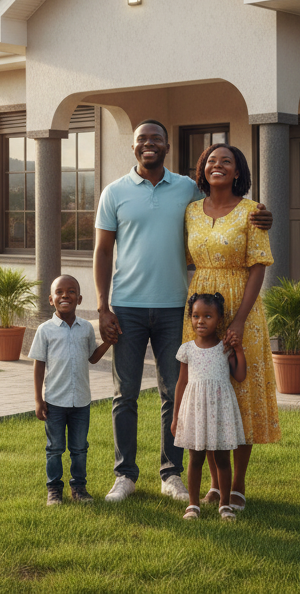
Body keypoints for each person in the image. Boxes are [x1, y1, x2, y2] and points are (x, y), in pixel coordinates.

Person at [94, 119, 272, 503]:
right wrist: (102, 306)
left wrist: (264, 216)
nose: (149, 144)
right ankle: (124, 475)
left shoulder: (188, 191)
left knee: (176, 393)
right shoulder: (115, 193)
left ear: (167, 145)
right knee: (124, 393)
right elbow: (103, 250)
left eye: (156, 138)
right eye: (142, 139)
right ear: (133, 147)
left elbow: (228, 206)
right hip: (127, 306)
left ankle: (171, 473)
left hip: (180, 307)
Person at [183, 142, 281, 512]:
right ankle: (213, 482)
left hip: (243, 305)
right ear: (202, 170)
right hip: (200, 308)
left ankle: (236, 485)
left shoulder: (252, 212)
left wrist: (238, 319)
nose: (218, 165)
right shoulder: (191, 211)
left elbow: (259, 265)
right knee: (206, 392)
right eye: (211, 161)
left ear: (238, 171)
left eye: (227, 161)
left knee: (240, 393)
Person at [31, 274, 115, 506]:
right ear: (51, 299)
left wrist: (108, 342)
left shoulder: (86, 328)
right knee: (55, 448)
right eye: (59, 292)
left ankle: (79, 488)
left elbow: (93, 358)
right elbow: (39, 367)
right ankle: (54, 490)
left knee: (79, 448)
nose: (64, 295)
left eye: (70, 292)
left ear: (79, 298)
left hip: (81, 402)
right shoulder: (45, 330)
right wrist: (38, 400)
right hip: (55, 402)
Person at [170, 292, 247, 521]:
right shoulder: (187, 349)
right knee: (195, 459)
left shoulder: (225, 347)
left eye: (207, 316)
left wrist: (239, 349)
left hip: (220, 412)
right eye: (195, 316)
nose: (200, 321)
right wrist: (176, 417)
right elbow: (181, 383)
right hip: (195, 412)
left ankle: (225, 505)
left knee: (223, 459)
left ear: (219, 319)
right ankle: (193, 505)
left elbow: (240, 375)